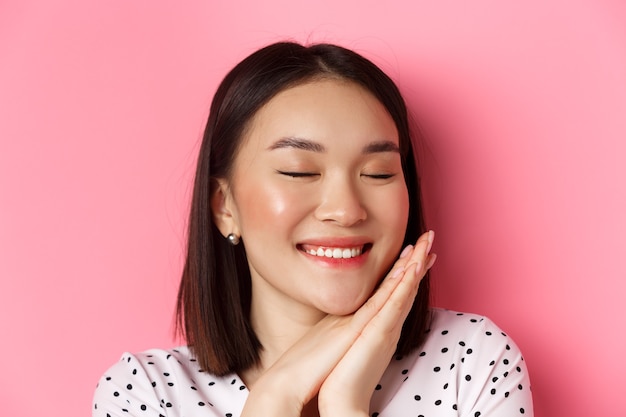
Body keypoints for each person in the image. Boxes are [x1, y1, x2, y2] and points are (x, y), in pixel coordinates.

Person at [93, 42, 533, 417]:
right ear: (224, 207)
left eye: (379, 173)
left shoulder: (472, 361)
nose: (345, 210)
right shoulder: (146, 394)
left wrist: (344, 404)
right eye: (299, 171)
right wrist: (275, 399)